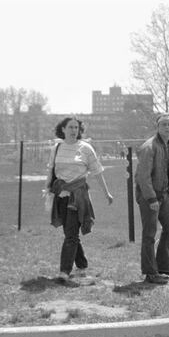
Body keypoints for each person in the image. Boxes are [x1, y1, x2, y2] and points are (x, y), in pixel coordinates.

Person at [46, 116, 113, 281]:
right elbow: (51, 170)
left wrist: (107, 193)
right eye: (70, 127)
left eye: (76, 127)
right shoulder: (57, 147)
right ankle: (82, 265)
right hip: (61, 195)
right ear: (63, 129)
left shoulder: (86, 148)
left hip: (78, 197)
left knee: (70, 235)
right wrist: (48, 189)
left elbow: (97, 172)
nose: (73, 130)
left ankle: (64, 272)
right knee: (70, 232)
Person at [134, 114, 169, 285]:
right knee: (149, 235)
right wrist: (151, 198)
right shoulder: (149, 147)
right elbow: (142, 176)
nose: (167, 127)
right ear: (157, 126)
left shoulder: (167, 145)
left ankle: (163, 265)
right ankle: (150, 272)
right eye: (163, 124)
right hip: (150, 197)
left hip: (164, 195)